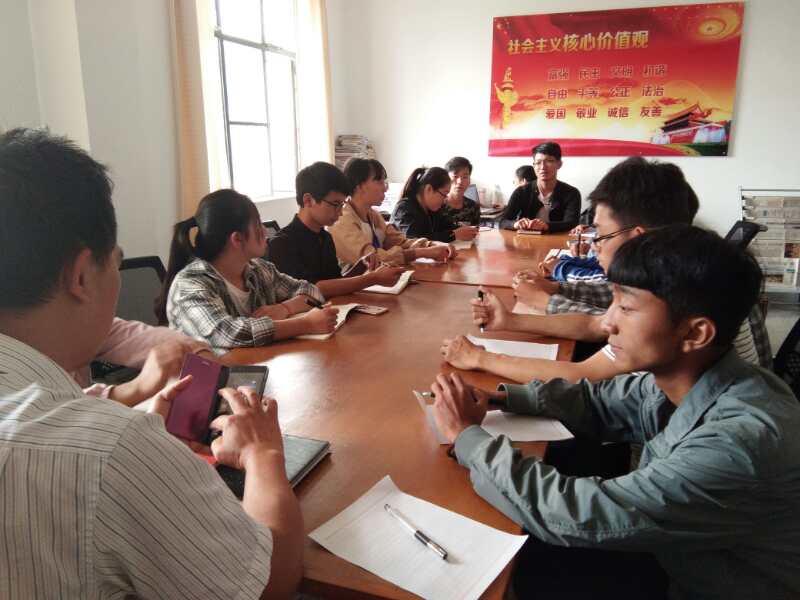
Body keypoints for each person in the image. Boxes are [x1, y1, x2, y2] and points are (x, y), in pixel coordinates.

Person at [0, 127, 302, 598]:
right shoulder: (108, 451)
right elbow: (272, 581)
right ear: (82, 277)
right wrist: (263, 455)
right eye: (115, 263)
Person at [430, 226, 800, 599]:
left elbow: (578, 514)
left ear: (695, 334)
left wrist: (467, 437)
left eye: (626, 307)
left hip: (694, 585)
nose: (607, 323)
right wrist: (500, 399)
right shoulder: (687, 377)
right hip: (682, 555)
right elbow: (598, 400)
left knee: (512, 569)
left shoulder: (739, 443)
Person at [441, 156, 772, 383]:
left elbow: (583, 371)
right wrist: (512, 321)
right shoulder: (676, 268)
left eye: (600, 234)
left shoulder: (674, 295)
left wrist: (481, 358)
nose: (594, 244)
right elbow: (597, 322)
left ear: (637, 238)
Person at [160, 188, 339, 350]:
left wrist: (285, 308)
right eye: (258, 225)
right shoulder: (190, 284)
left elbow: (311, 291)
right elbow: (227, 333)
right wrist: (306, 324)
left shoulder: (258, 269)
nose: (265, 231)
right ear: (237, 239)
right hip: (209, 375)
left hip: (255, 367)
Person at [268, 161, 408, 291]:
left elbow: (336, 281)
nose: (340, 212)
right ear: (308, 200)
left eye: (342, 205)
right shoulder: (282, 243)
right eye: (335, 204)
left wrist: (360, 267)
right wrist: (372, 278)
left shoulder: (325, 238)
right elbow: (311, 289)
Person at [329, 157, 453, 273]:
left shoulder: (373, 215)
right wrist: (422, 253)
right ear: (360, 186)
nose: (385, 188)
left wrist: (433, 245)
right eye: (379, 181)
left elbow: (400, 242)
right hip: (352, 286)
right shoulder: (341, 219)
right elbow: (373, 260)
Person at [78, 317, 212, 406]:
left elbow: (145, 337)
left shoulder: (83, 325)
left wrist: (197, 351)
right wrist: (138, 387)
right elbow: (71, 414)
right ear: (80, 284)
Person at [499, 141, 580, 232]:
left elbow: (572, 223)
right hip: (526, 239)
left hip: (558, 239)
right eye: (538, 163)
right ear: (534, 166)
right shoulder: (521, 191)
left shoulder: (571, 193)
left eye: (549, 161)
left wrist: (546, 226)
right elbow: (503, 222)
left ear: (559, 164)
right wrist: (515, 224)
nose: (542, 167)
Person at [391, 166, 478, 242]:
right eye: (444, 194)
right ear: (429, 189)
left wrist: (461, 229)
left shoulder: (432, 209)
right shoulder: (404, 209)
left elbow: (446, 225)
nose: (445, 200)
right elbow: (414, 241)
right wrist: (454, 235)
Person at [441, 156, 480, 226]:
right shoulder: (438, 205)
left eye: (465, 177)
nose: (460, 182)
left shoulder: (473, 206)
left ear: (469, 181)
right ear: (446, 179)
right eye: (455, 176)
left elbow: (475, 230)